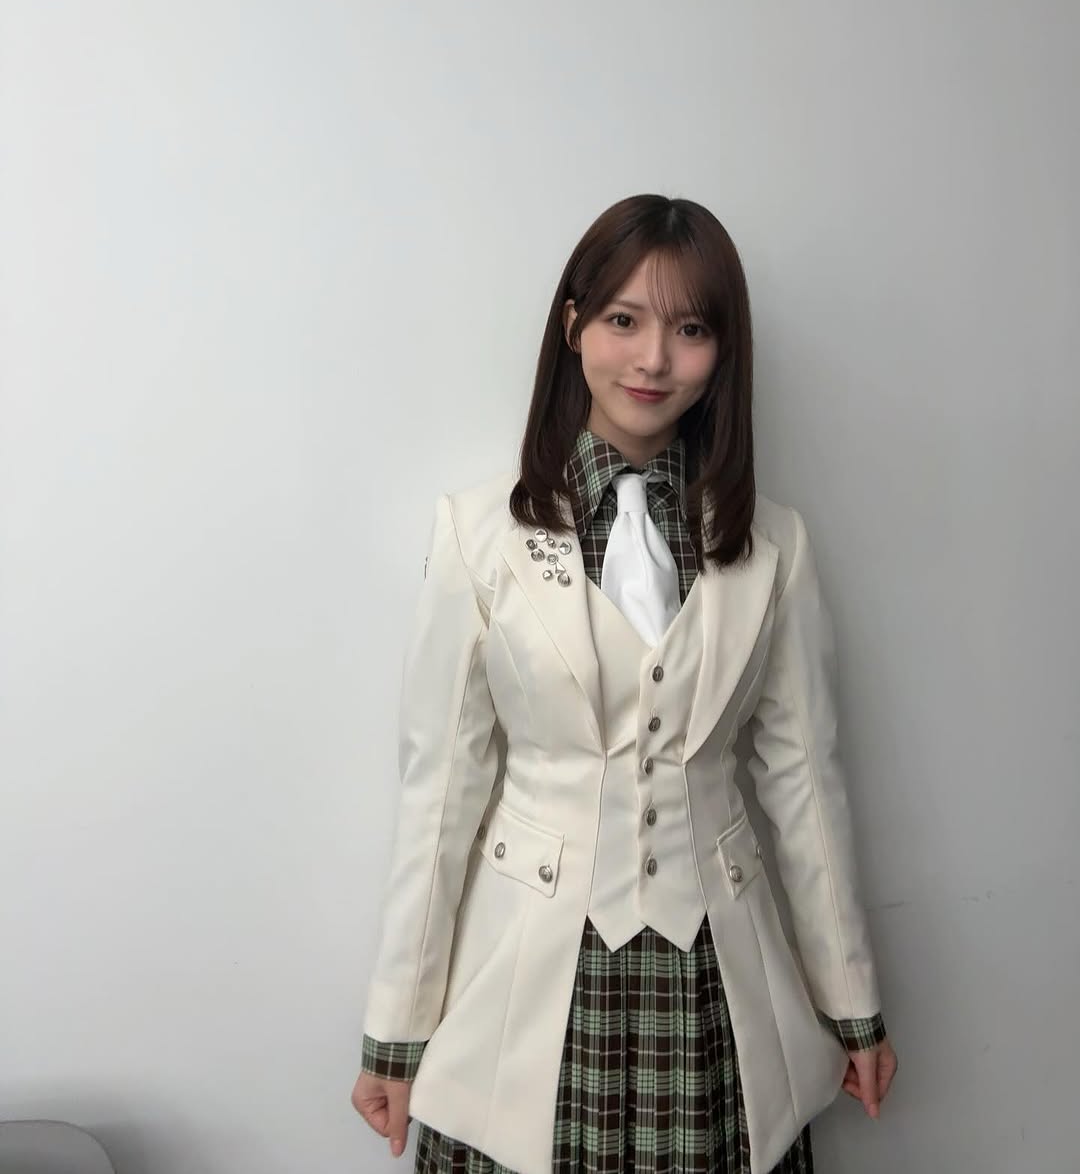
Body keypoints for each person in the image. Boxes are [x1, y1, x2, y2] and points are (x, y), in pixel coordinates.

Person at [351, 194, 898, 1174]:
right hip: (528, 991)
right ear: (573, 327)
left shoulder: (776, 544)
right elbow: (439, 794)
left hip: (716, 990)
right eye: (623, 319)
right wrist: (396, 1031)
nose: (653, 359)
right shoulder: (478, 535)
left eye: (689, 329)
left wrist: (852, 1005)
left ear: (722, 351)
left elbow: (805, 786)